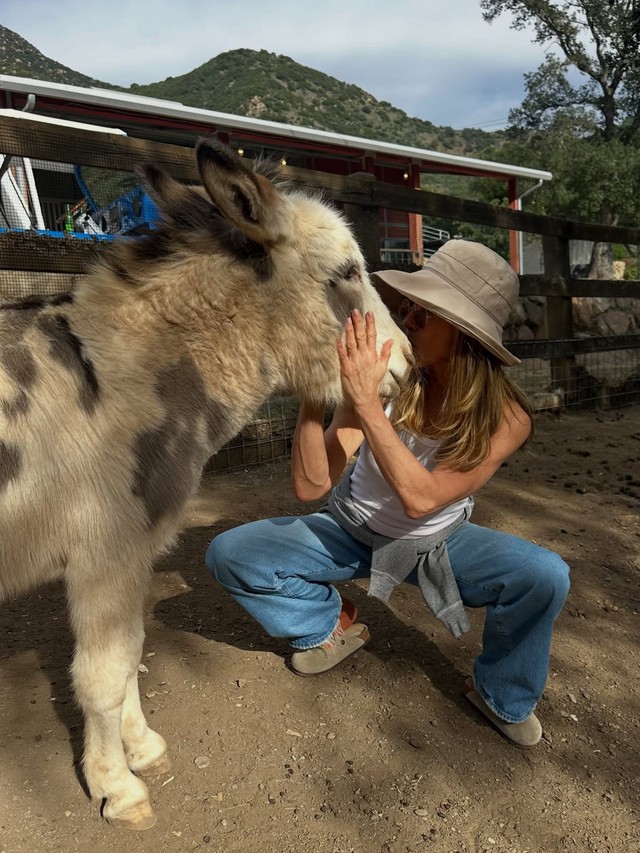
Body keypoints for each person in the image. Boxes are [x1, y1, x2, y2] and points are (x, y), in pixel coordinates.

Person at [205, 239, 570, 749]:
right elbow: (311, 485)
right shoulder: (388, 373)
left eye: (427, 311)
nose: (407, 316)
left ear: (466, 334)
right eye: (410, 305)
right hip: (351, 529)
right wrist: (315, 394)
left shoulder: (507, 418)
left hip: (435, 543)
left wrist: (366, 407)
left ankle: (502, 694)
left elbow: (422, 499)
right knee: (231, 553)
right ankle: (328, 625)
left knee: (544, 575)